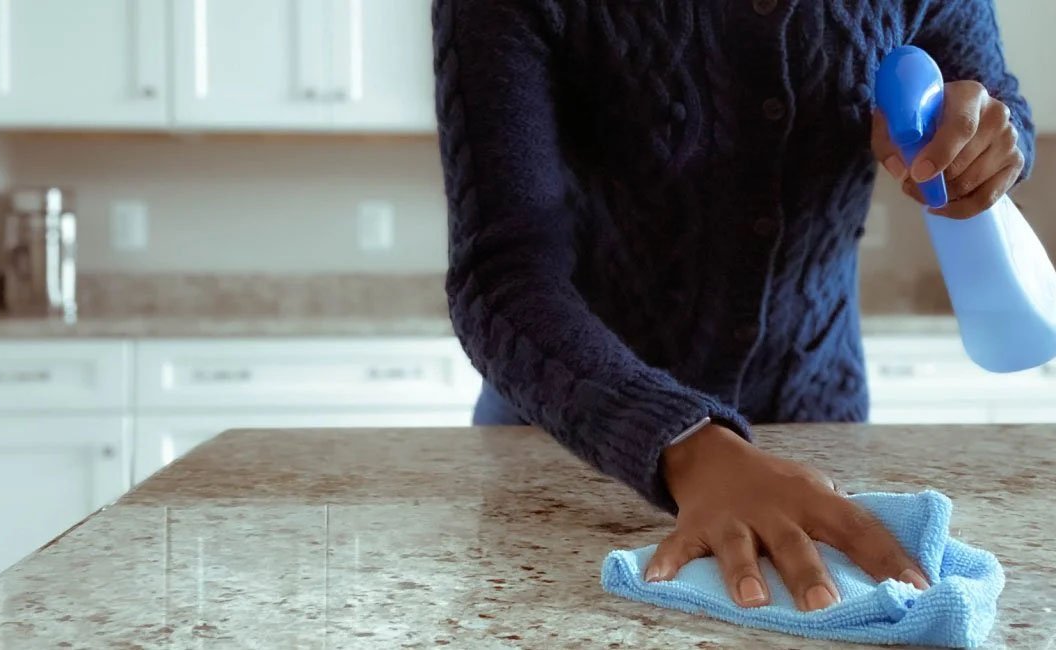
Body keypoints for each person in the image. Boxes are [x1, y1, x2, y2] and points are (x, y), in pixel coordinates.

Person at [433, 0, 1032, 613]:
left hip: (817, 440)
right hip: (570, 453)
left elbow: (999, 107)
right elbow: (501, 277)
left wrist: (983, 149)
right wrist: (689, 446)